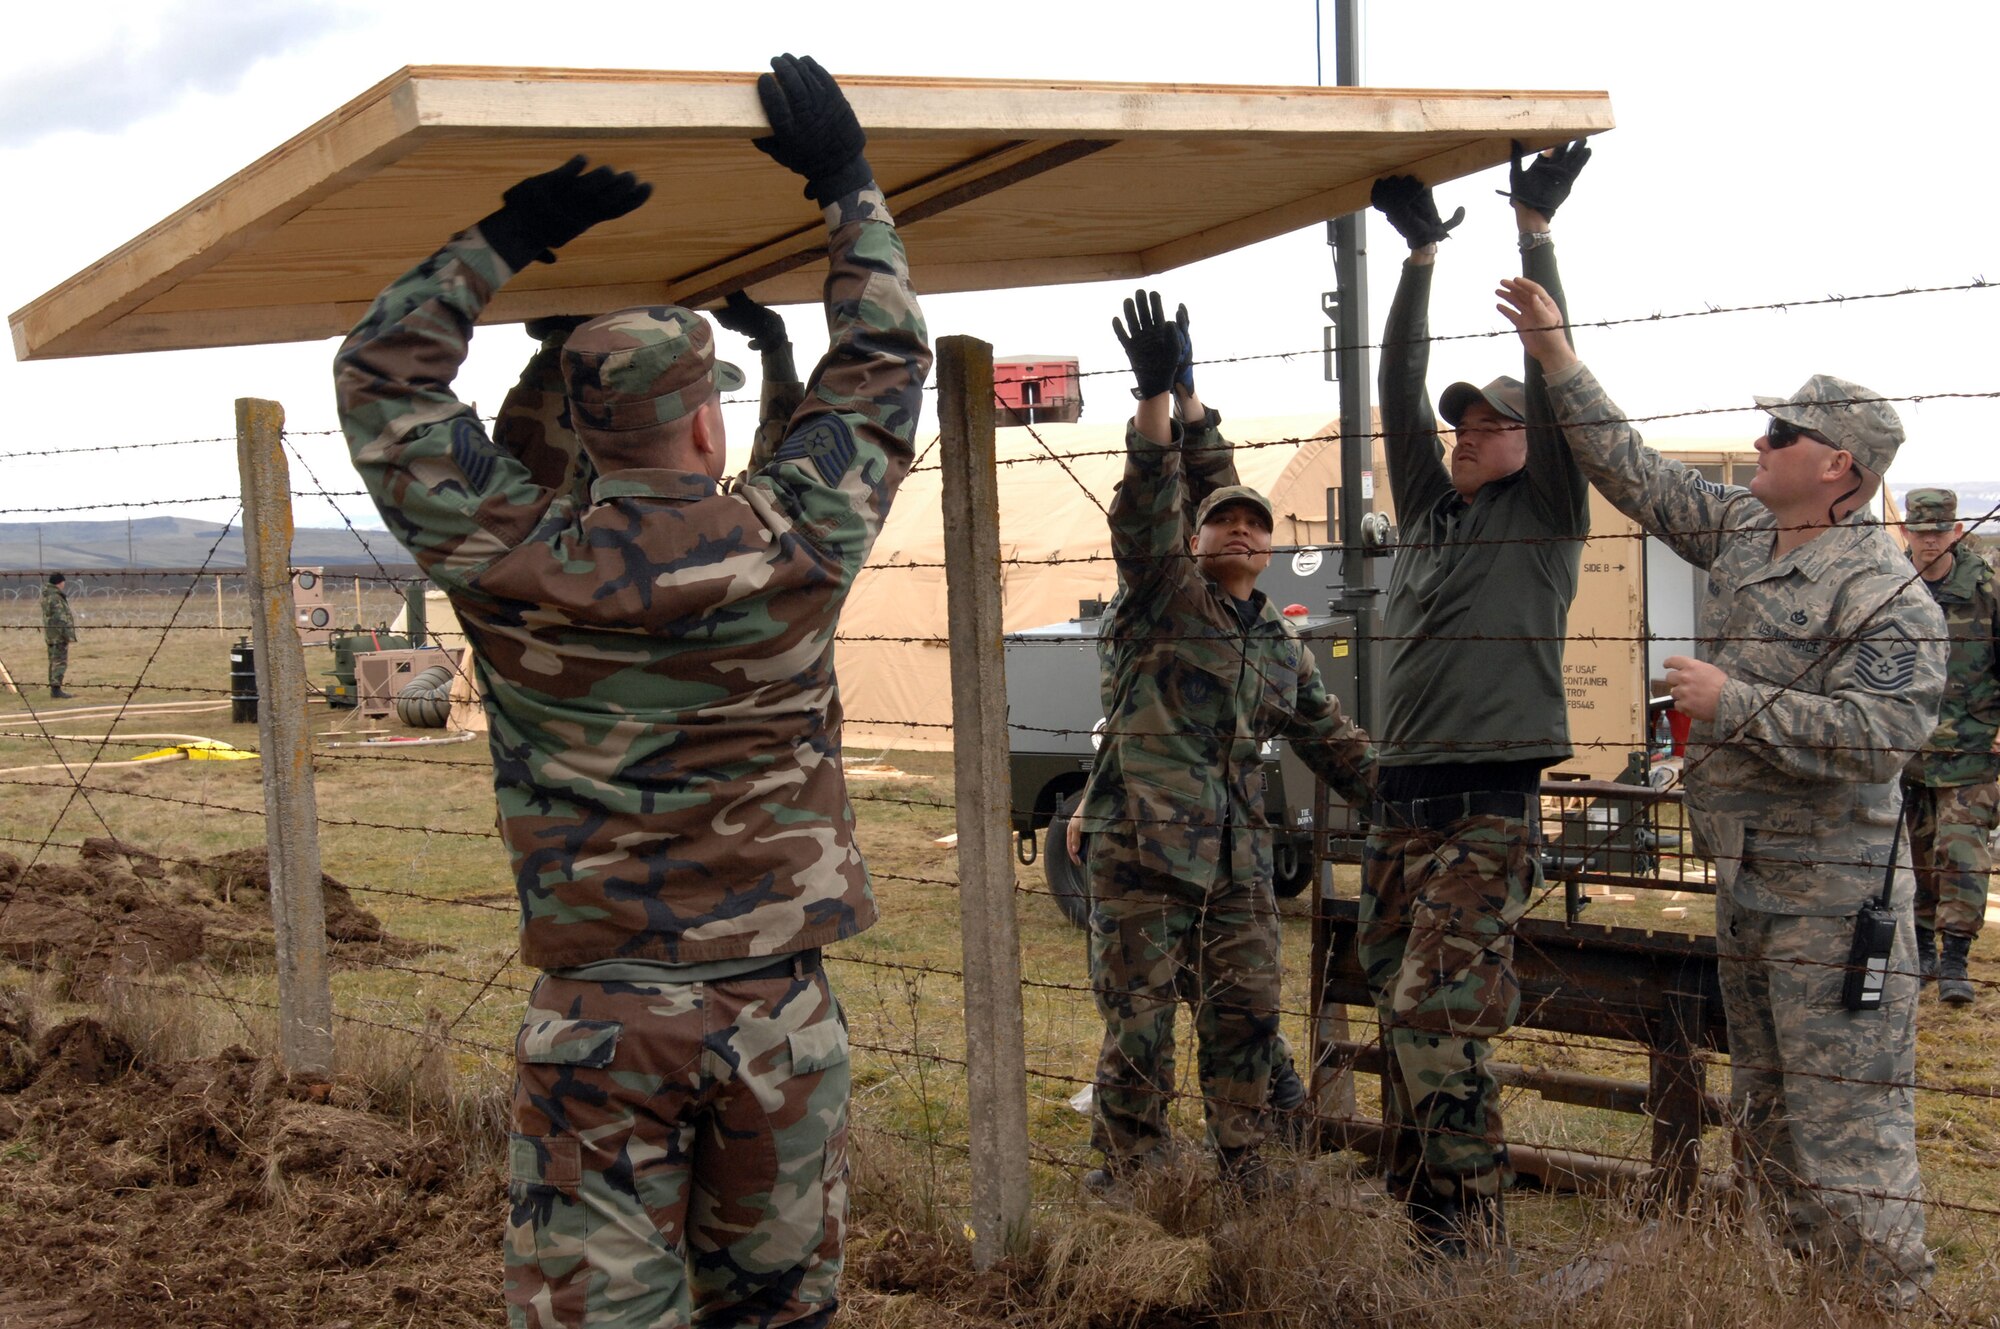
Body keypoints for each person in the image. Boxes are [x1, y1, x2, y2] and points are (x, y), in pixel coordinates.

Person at [335, 53, 930, 1329]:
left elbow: (384, 375)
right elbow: (880, 362)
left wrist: (509, 238)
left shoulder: (515, 559)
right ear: (708, 430)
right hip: (777, 1007)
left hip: (600, 1020)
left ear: (583, 432)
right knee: (776, 1312)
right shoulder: (792, 540)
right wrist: (842, 180)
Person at [1499, 276, 1945, 1308]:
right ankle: (1798, 1297)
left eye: (1781, 431)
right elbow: (1637, 475)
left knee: (1848, 1131)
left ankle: (1888, 1303)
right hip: (1749, 888)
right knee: (1768, 1119)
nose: (1759, 441)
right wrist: (1559, 354)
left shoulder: (1885, 594)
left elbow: (1881, 740)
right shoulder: (1747, 530)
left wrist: (1732, 700)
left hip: (1835, 908)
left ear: (1838, 465)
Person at [1069, 289, 1375, 1200]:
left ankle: (1246, 1161)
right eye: (1222, 520)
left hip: (1238, 863)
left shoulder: (1277, 643)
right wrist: (1160, 403)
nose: (1241, 526)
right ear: (1194, 542)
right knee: (1142, 1024)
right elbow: (1143, 516)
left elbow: (1332, 737)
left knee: (1244, 1015)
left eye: (1257, 523)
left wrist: (1418, 795)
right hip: (1145, 855)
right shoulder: (1165, 596)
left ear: (1272, 549)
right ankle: (1128, 1171)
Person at [1358, 141, 1592, 1255]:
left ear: (1527, 441)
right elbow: (1393, 388)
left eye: (1487, 423)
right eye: (1461, 424)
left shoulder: (1545, 507)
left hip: (1484, 807)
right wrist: (1417, 258)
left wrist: (1533, 236)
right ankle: (1420, 1218)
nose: (1463, 434)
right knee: (1396, 1017)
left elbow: (1559, 386)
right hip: (1396, 803)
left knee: (1432, 1018)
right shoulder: (1425, 505)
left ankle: (1467, 1227)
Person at [1898, 488, 1997, 1006]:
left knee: (1960, 854)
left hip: (1970, 750)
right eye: (1921, 532)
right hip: (1904, 754)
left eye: (1939, 532)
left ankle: (1955, 957)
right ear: (1908, 533)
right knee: (1915, 859)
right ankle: (1922, 955)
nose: (1929, 541)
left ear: (1955, 533)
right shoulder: (1891, 588)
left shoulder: (1986, 591)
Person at [40, 573, 77, 700]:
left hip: (51, 634)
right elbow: (60, 618)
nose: (64, 585)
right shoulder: (55, 597)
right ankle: (56, 690)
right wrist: (67, 634)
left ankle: (54, 688)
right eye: (63, 582)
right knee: (60, 662)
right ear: (59, 582)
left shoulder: (47, 595)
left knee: (53, 661)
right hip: (58, 635)